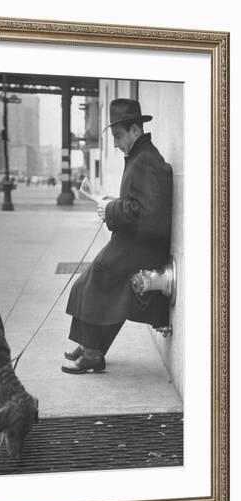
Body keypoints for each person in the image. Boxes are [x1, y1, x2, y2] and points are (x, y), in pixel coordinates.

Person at [62, 98, 173, 375]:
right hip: (135, 241)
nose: (115, 143)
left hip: (144, 246)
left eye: (118, 136)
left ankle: (91, 351)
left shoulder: (146, 160)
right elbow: (138, 204)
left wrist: (110, 208)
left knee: (96, 277)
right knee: (90, 281)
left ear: (135, 130)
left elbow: (148, 214)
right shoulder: (140, 156)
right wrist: (109, 203)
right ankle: (91, 347)